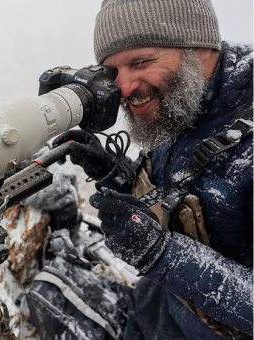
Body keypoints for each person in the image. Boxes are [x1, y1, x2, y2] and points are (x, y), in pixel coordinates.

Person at [48, 0, 254, 339]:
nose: (124, 89)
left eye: (140, 62)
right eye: (113, 73)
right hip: (159, 306)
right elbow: (183, 193)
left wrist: (160, 254)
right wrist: (117, 175)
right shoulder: (182, 101)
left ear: (198, 46)